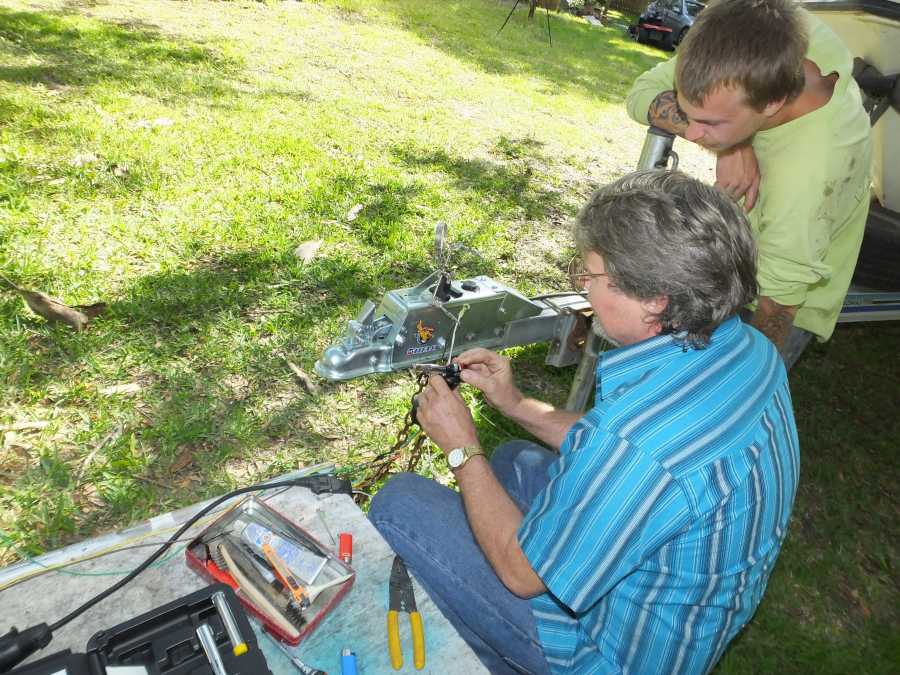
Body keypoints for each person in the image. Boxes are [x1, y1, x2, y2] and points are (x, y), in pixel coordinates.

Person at [369, 170, 800, 674]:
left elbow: (521, 573)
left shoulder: (638, 443)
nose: (584, 288)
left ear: (655, 299)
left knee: (401, 503)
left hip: (608, 656)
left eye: (591, 276)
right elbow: (606, 448)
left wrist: (463, 448)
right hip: (685, 608)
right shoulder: (746, 347)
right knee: (514, 460)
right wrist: (514, 403)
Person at [626, 0, 872, 369]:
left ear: (771, 103)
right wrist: (733, 143)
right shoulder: (759, 37)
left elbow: (779, 305)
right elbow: (642, 93)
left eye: (709, 123)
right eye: (690, 115)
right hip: (732, 259)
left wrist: (745, 381)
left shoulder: (807, 174)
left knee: (721, 407)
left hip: (781, 299)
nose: (693, 133)